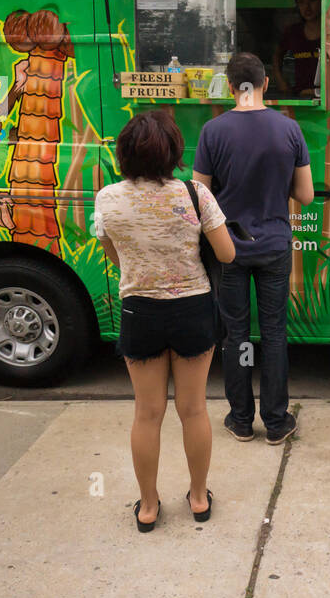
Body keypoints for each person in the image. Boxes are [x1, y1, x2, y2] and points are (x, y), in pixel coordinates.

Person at [93, 111, 236, 531]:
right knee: (193, 410)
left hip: (140, 311)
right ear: (173, 150)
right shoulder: (195, 194)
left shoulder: (107, 199)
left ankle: (149, 507)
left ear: (124, 153)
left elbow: (115, 254)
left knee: (147, 413)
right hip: (193, 311)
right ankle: (196, 498)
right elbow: (226, 254)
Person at [193, 52, 314, 444]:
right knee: (275, 333)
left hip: (229, 249)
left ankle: (241, 420)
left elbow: (201, 197)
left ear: (231, 87)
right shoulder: (288, 129)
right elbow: (307, 196)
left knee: (237, 335)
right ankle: (277, 423)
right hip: (275, 245)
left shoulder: (213, 132)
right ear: (264, 84)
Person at [272, 0, 321, 97]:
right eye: (301, 2)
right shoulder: (293, 32)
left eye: (312, 0)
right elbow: (277, 56)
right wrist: (281, 82)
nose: (307, 7)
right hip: (299, 98)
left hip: (327, 98)